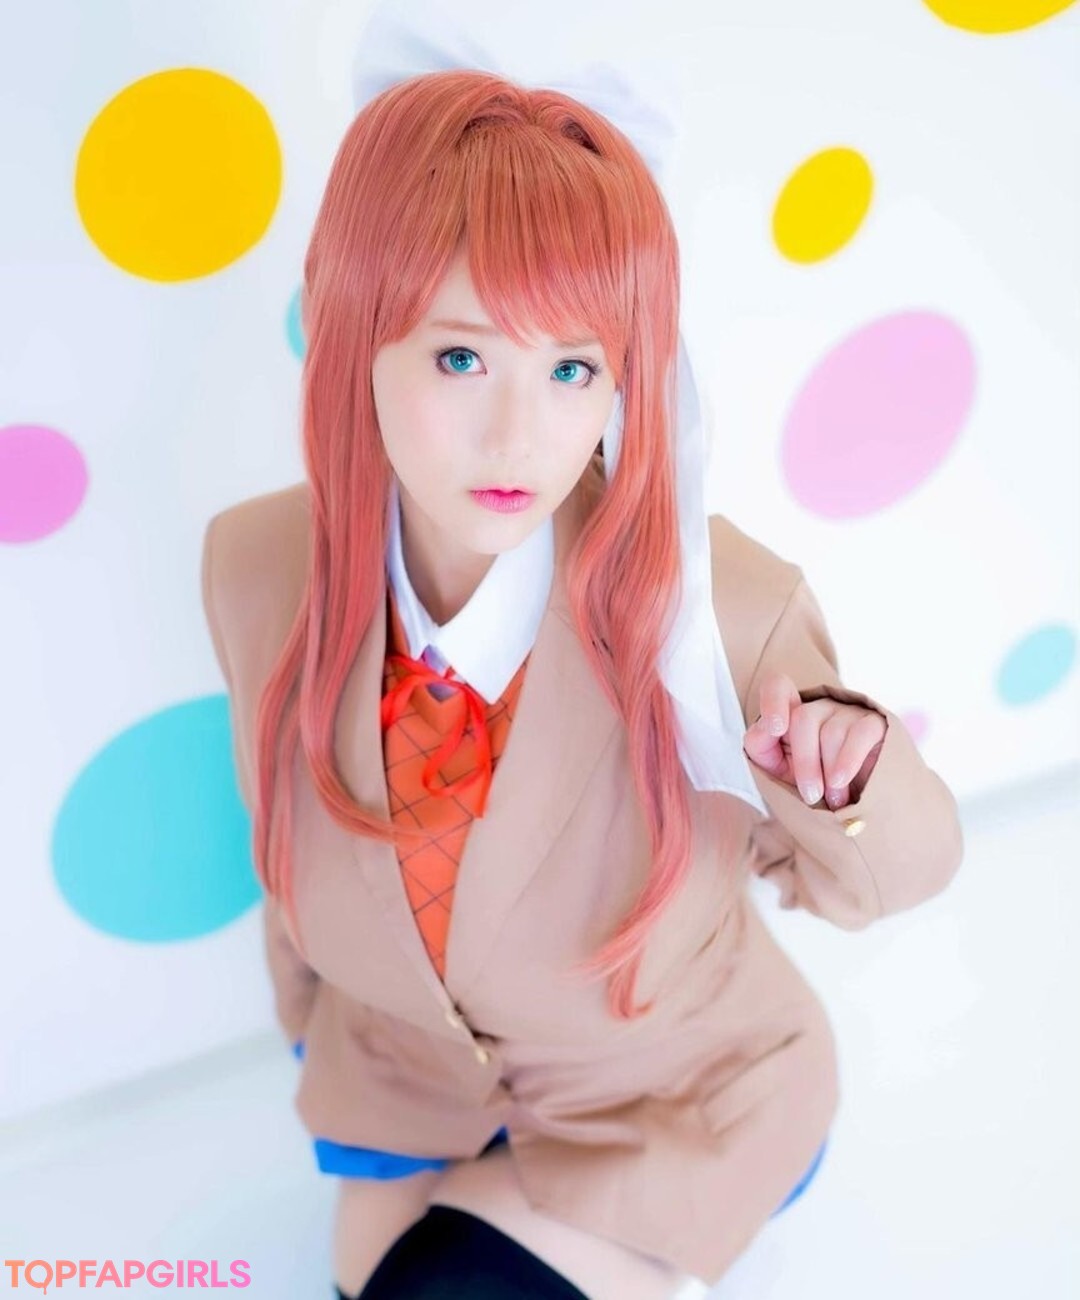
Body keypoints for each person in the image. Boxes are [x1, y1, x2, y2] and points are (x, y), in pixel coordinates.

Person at [200, 66, 965, 1299]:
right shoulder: (257, 564)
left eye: (572, 370)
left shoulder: (715, 605)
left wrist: (848, 776)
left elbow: (897, 878)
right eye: (462, 357)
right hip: (412, 1087)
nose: (519, 438)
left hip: (668, 1099)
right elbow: (279, 845)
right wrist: (324, 1047)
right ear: (352, 331)